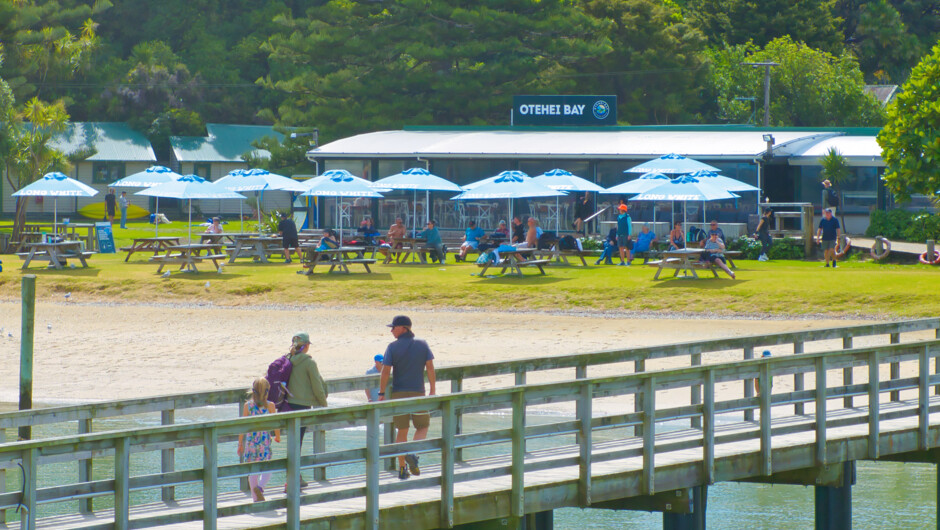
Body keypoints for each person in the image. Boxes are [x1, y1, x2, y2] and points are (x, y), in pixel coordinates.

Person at [378, 315, 436, 480]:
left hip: (399, 394)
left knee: (402, 430)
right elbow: (430, 367)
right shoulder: (422, 344)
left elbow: (386, 371)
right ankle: (413, 452)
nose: (391, 330)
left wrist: (381, 393)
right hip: (418, 393)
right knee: (422, 426)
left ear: (404, 328)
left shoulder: (392, 347)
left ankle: (402, 469)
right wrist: (432, 390)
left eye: (393, 327)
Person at [285, 332, 327, 488]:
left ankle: (293, 477)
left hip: (287, 405)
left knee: (293, 443)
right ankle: (292, 480)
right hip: (302, 406)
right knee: (297, 443)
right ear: (307, 346)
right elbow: (317, 385)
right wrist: (323, 404)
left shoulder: (288, 359)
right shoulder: (309, 363)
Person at [237, 377, 280, 502]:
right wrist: (277, 436)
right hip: (264, 442)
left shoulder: (248, 406)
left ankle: (256, 499)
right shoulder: (270, 406)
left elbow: (242, 427)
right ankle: (260, 488)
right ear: (267, 391)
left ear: (253, 391)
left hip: (251, 443)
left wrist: (240, 443)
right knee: (268, 468)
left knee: (253, 471)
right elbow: (276, 424)